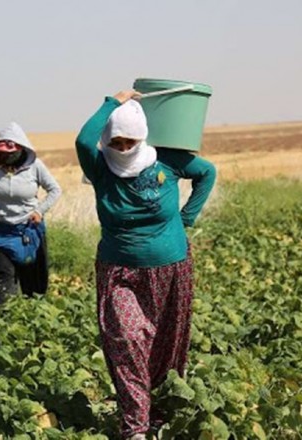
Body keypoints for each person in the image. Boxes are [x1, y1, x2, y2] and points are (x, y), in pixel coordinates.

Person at [75, 90, 216, 439]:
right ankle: (135, 426)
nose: (122, 148)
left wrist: (187, 219)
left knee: (167, 344)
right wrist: (113, 102)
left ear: (142, 136)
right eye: (116, 141)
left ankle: (160, 416)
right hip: (119, 270)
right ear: (107, 139)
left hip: (171, 267)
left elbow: (207, 173)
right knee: (125, 340)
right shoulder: (100, 167)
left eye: (129, 141)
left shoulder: (166, 160)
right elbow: (82, 139)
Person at [0, 122, 62, 305]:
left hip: (29, 231)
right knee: (2, 284)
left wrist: (39, 211)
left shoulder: (35, 166)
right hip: (1, 231)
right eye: (2, 153)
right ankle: (5, 320)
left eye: (9, 154)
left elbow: (55, 190)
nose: (5, 157)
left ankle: (33, 318)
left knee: (34, 286)